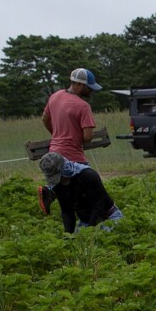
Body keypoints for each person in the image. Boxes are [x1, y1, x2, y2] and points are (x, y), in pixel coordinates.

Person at [39, 67, 102, 214]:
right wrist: (74, 136)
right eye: (89, 87)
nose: (91, 91)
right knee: (89, 189)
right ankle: (91, 223)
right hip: (74, 156)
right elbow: (88, 136)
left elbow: (45, 118)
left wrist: (56, 133)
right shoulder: (83, 106)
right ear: (79, 85)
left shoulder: (55, 96)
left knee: (66, 193)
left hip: (54, 154)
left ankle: (50, 191)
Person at [38, 152, 121, 235]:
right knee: (77, 243)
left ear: (64, 168)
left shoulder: (87, 175)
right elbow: (67, 211)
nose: (60, 180)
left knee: (103, 238)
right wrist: (68, 235)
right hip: (85, 221)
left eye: (60, 176)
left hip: (108, 217)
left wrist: (90, 231)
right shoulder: (57, 185)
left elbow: (98, 206)